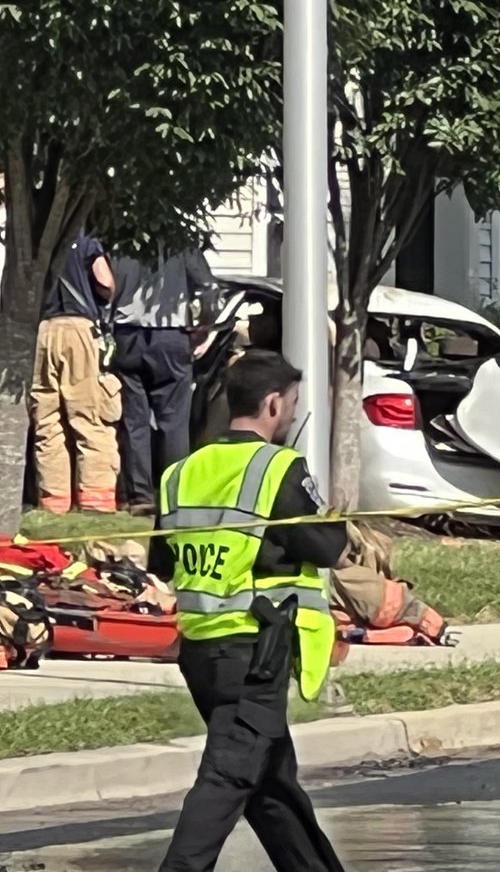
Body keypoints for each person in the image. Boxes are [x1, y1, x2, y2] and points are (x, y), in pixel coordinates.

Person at [149, 350, 348, 872]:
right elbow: (324, 548)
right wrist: (335, 518)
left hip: (201, 652)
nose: (291, 415)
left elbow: (162, 560)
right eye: (293, 405)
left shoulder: (180, 474)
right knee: (229, 778)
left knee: (271, 786)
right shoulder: (277, 468)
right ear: (273, 404)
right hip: (255, 649)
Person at [112, 247, 220, 515]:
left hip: (127, 335)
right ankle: (175, 495)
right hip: (171, 334)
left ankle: (140, 497)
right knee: (174, 422)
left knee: (134, 422)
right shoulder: (180, 242)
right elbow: (209, 288)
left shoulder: (118, 240)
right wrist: (204, 326)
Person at [29, 229, 122, 514]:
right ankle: (96, 499)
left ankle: (53, 500)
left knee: (47, 418)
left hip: (43, 330)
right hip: (79, 330)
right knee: (89, 415)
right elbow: (105, 281)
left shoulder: (35, 239)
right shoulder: (85, 242)